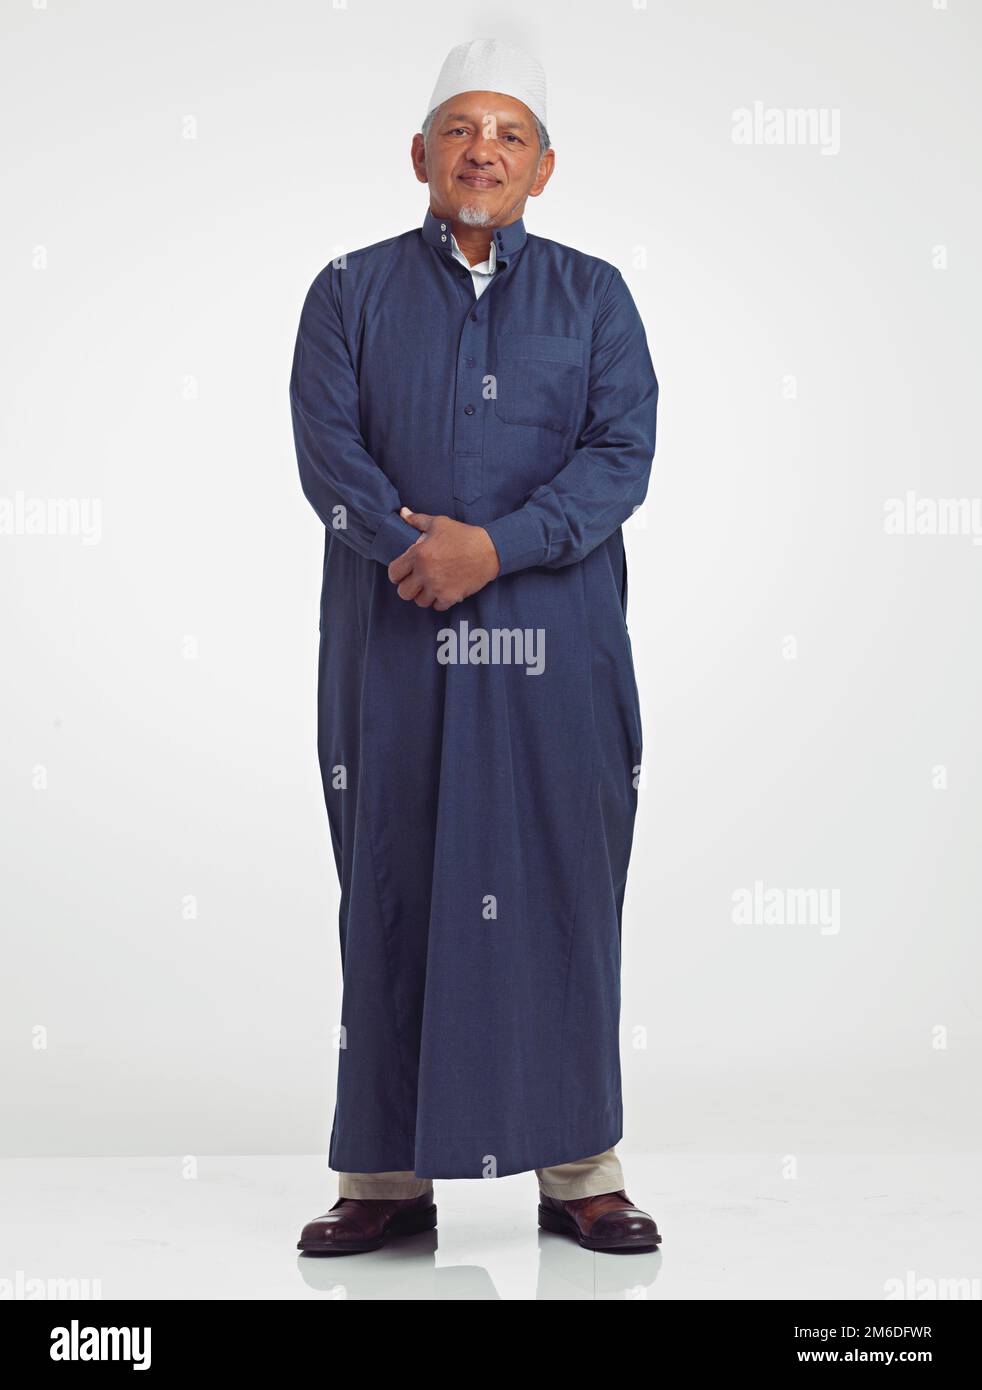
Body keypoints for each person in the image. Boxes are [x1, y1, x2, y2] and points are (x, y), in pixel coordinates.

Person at [290, 37, 661, 1255]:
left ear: (543, 168)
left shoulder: (594, 298)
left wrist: (494, 549)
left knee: (559, 888)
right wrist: (421, 551)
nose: (482, 152)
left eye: (508, 135)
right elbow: (329, 453)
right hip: (395, 643)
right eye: (460, 130)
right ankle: (385, 1177)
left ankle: (580, 1170)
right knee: (394, 884)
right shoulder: (348, 291)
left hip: (557, 652)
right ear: (420, 155)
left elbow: (620, 457)